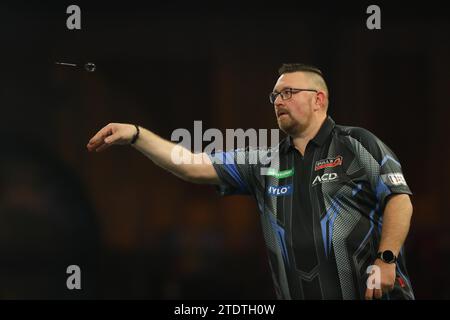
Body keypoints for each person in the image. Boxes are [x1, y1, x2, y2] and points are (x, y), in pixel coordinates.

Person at [87, 63, 414, 300]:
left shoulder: (357, 144)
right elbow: (190, 164)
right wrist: (136, 135)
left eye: (288, 92)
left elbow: (399, 199)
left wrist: (386, 259)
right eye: (274, 95)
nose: (278, 101)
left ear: (319, 100)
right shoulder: (263, 161)